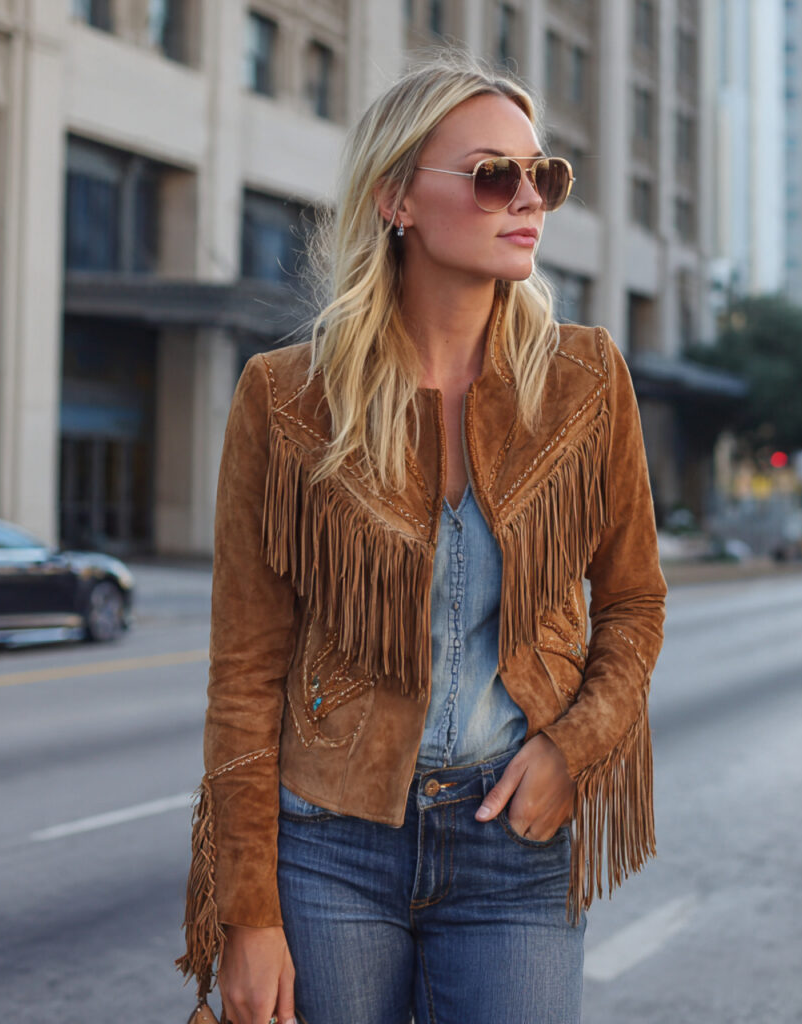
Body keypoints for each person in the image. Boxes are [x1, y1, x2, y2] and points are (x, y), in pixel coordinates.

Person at [177, 52, 666, 1024]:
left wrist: (575, 747)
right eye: (494, 174)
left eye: (545, 176)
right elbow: (243, 669)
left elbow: (632, 600)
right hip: (328, 844)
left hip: (511, 843)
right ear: (396, 195)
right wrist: (246, 911)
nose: (528, 198)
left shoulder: (585, 378)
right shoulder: (283, 398)